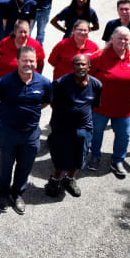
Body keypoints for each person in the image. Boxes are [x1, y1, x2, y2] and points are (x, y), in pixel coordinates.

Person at [0, 46, 52, 215]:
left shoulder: (44, 83)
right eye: (24, 60)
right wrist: (6, 112)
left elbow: (45, 102)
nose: (28, 64)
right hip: (9, 132)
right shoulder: (4, 82)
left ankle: (17, 194)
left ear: (36, 62)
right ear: (17, 61)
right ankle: (3, 193)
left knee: (25, 166)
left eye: (31, 60)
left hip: (31, 133)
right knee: (6, 165)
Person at [88, 27, 130, 178]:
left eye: (126, 39)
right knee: (96, 132)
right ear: (112, 38)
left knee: (124, 135)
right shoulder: (99, 56)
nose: (123, 41)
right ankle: (95, 156)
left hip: (125, 107)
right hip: (101, 106)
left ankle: (117, 160)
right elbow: (86, 78)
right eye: (120, 38)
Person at [45, 54, 102, 198]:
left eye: (83, 64)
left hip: (84, 128)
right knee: (60, 157)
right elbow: (52, 103)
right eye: (77, 64)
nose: (80, 67)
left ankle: (69, 179)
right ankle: (55, 180)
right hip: (62, 127)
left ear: (89, 67)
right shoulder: (60, 83)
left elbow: (95, 105)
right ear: (73, 66)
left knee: (79, 158)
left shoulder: (96, 85)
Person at [0, 20, 45, 141]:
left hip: (26, 82)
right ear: (14, 32)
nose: (23, 35)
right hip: (5, 83)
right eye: (20, 32)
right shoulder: (4, 43)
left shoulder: (35, 45)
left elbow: (40, 62)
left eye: (26, 32)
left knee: (23, 105)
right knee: (2, 105)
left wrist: (36, 77)